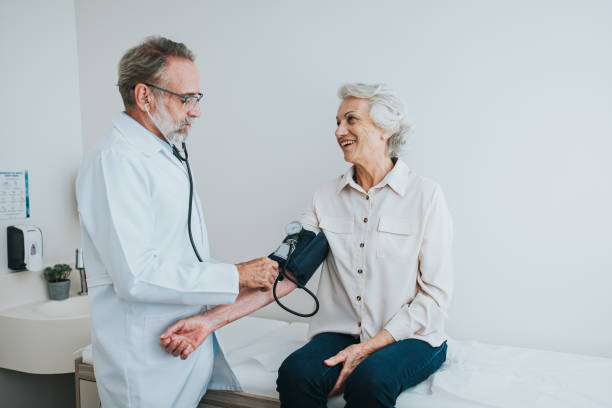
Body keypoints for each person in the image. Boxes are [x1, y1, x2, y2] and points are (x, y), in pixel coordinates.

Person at [160, 83, 453, 408]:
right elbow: (286, 275)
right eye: (338, 122)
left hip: (412, 336)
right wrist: (209, 321)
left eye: (351, 120)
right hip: (343, 332)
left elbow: (434, 296)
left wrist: (369, 348)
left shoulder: (425, 196)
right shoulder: (326, 198)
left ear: (385, 129)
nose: (339, 130)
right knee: (296, 375)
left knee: (370, 380)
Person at [75, 36, 278, 408]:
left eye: (197, 99)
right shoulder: (115, 161)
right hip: (143, 364)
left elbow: (180, 255)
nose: (196, 111)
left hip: (181, 346)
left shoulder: (163, 154)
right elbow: (135, 275)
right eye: (186, 99)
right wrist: (236, 275)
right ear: (145, 96)